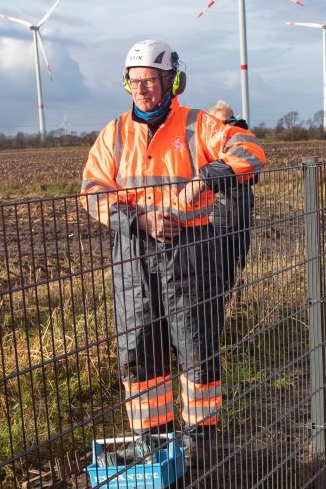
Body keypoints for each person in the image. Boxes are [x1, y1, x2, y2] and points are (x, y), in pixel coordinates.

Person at [82, 41, 266, 459]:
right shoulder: (113, 133)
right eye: (134, 82)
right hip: (133, 253)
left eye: (149, 80)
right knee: (138, 348)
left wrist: (208, 177)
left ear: (171, 82)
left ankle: (200, 439)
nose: (142, 89)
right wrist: (138, 220)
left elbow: (250, 151)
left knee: (195, 343)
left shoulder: (198, 124)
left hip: (191, 251)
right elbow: (92, 190)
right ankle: (154, 443)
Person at [207, 100, 257, 290]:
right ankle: (223, 308)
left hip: (242, 218)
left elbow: (254, 173)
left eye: (231, 120)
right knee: (219, 271)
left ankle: (234, 308)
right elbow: (213, 176)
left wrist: (240, 141)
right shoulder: (209, 146)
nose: (228, 125)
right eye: (223, 122)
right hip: (219, 220)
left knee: (237, 267)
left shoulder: (240, 144)